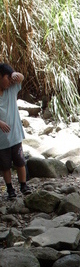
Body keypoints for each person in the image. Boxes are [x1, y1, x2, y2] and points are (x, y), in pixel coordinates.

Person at [0, 63, 31, 200]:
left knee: (20, 161)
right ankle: (10, 189)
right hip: (1, 140)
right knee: (5, 166)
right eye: (7, 78)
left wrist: (14, 74)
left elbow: (21, 78)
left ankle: (23, 185)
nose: (9, 81)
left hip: (15, 136)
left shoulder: (11, 90)